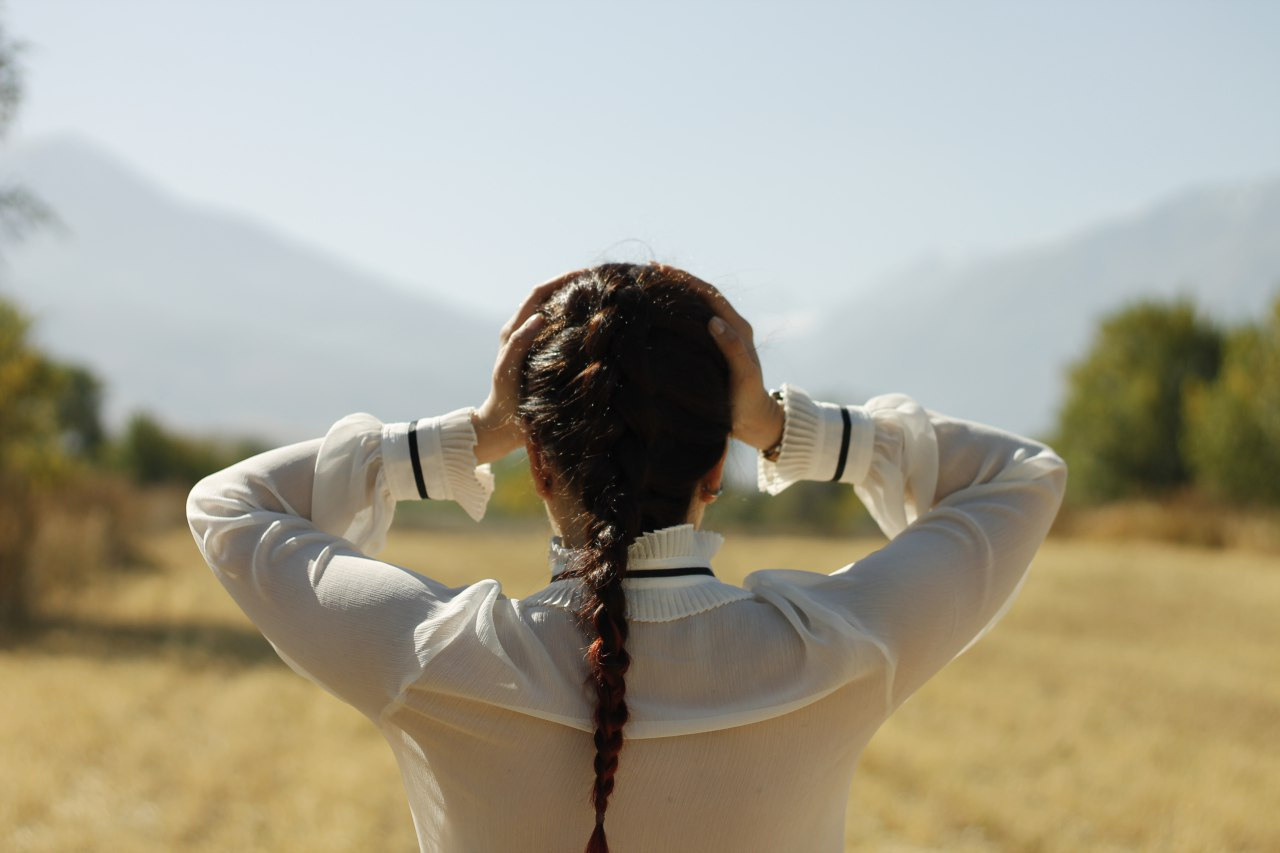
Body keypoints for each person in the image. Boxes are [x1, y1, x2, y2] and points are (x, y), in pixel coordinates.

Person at [187, 262, 1067, 853]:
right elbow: (1022, 475)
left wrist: (475, 432)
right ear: (717, 465)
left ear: (537, 462)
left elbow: (228, 504)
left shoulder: (436, 657)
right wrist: (779, 427)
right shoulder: (837, 651)